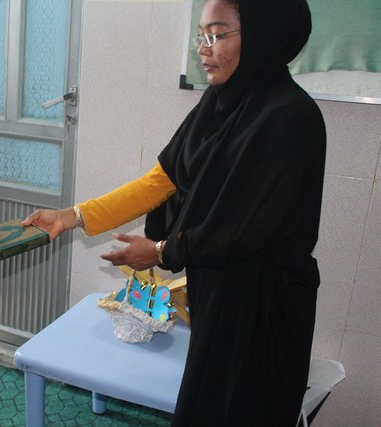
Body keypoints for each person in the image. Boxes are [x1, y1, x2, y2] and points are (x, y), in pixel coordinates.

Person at [23, 0, 326, 425]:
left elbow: (245, 230)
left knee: (245, 409)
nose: (202, 48)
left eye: (216, 34)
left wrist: (161, 251)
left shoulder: (291, 118)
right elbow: (159, 181)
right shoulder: (218, 105)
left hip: (263, 307)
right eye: (200, 35)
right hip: (218, 293)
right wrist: (71, 216)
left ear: (262, 35)